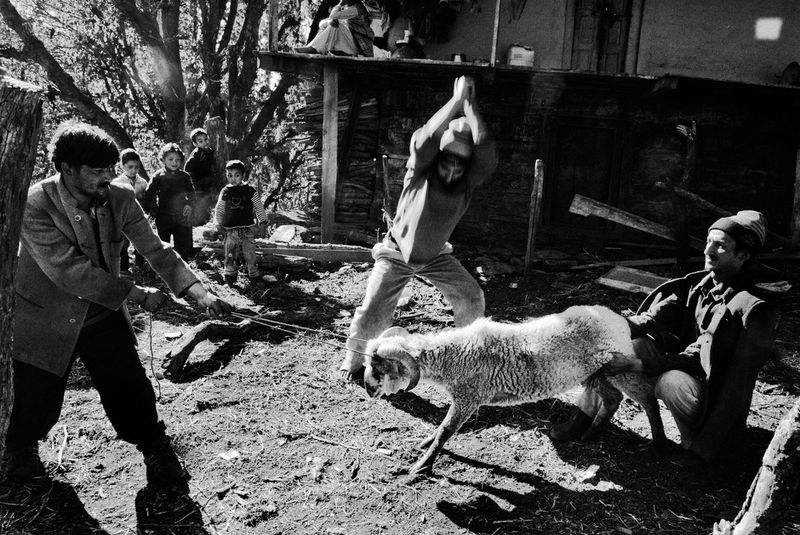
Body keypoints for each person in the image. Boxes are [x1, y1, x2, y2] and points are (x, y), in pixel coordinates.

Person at [2, 122, 233, 486]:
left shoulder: (119, 197)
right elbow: (69, 272)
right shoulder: (35, 204)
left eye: (110, 169)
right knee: (33, 395)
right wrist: (136, 294)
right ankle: (20, 449)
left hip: (102, 313)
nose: (107, 178)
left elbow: (155, 247)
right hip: (43, 316)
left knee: (129, 387)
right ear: (67, 169)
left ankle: (155, 447)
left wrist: (199, 293)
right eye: (97, 170)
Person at [551, 210, 778, 464]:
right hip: (679, 367)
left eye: (721, 246)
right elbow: (652, 318)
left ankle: (693, 447)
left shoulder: (747, 307)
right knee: (620, 344)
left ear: (743, 255)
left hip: (710, 394)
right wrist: (604, 328)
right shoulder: (698, 286)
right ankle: (585, 413)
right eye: (708, 242)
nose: (708, 251)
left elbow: (698, 357)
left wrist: (638, 365)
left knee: (671, 382)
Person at [340, 75, 497, 379]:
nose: (452, 169)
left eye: (460, 165)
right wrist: (455, 101)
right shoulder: (420, 173)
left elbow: (486, 151)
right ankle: (354, 360)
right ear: (439, 159)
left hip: (436, 256)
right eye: (448, 161)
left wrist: (470, 106)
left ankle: (467, 358)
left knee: (472, 297)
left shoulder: (467, 184)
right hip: (397, 252)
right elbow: (426, 138)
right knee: (372, 312)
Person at [214, 160, 268, 285]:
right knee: (230, 253)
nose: (233, 179)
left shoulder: (250, 190)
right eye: (230, 175)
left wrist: (263, 221)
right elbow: (219, 208)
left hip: (247, 229)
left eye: (237, 175)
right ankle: (230, 276)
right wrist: (218, 224)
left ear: (243, 175)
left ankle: (254, 275)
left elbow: (259, 206)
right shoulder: (226, 191)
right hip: (230, 230)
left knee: (250, 254)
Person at [143, 142, 195, 260]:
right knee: (163, 244)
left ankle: (183, 267)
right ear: (163, 160)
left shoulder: (184, 176)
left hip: (181, 216)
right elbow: (149, 193)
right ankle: (164, 266)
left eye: (177, 160)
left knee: (182, 245)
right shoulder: (158, 176)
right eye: (170, 159)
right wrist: (149, 210)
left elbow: (192, 194)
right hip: (163, 216)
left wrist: (189, 205)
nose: (174, 162)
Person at [112, 148, 148, 274]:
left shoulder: (142, 182)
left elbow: (146, 200)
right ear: (122, 166)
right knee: (123, 243)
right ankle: (123, 268)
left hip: (138, 218)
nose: (134, 170)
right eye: (130, 167)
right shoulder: (117, 183)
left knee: (140, 241)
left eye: (137, 167)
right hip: (123, 219)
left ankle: (140, 265)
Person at [294, 0, 374, 57]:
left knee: (336, 25)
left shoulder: (356, 9)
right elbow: (324, 22)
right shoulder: (345, 7)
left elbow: (333, 16)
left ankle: (314, 48)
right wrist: (328, 22)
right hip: (347, 44)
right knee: (333, 24)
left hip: (360, 48)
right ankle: (314, 48)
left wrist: (339, 5)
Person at [184, 128, 216, 226]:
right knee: (199, 202)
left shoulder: (209, 151)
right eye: (200, 141)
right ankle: (196, 223)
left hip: (206, 181)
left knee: (207, 201)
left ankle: (205, 221)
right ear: (195, 144)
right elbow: (188, 167)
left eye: (206, 139)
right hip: (197, 183)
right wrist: (191, 181)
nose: (204, 142)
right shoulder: (197, 153)